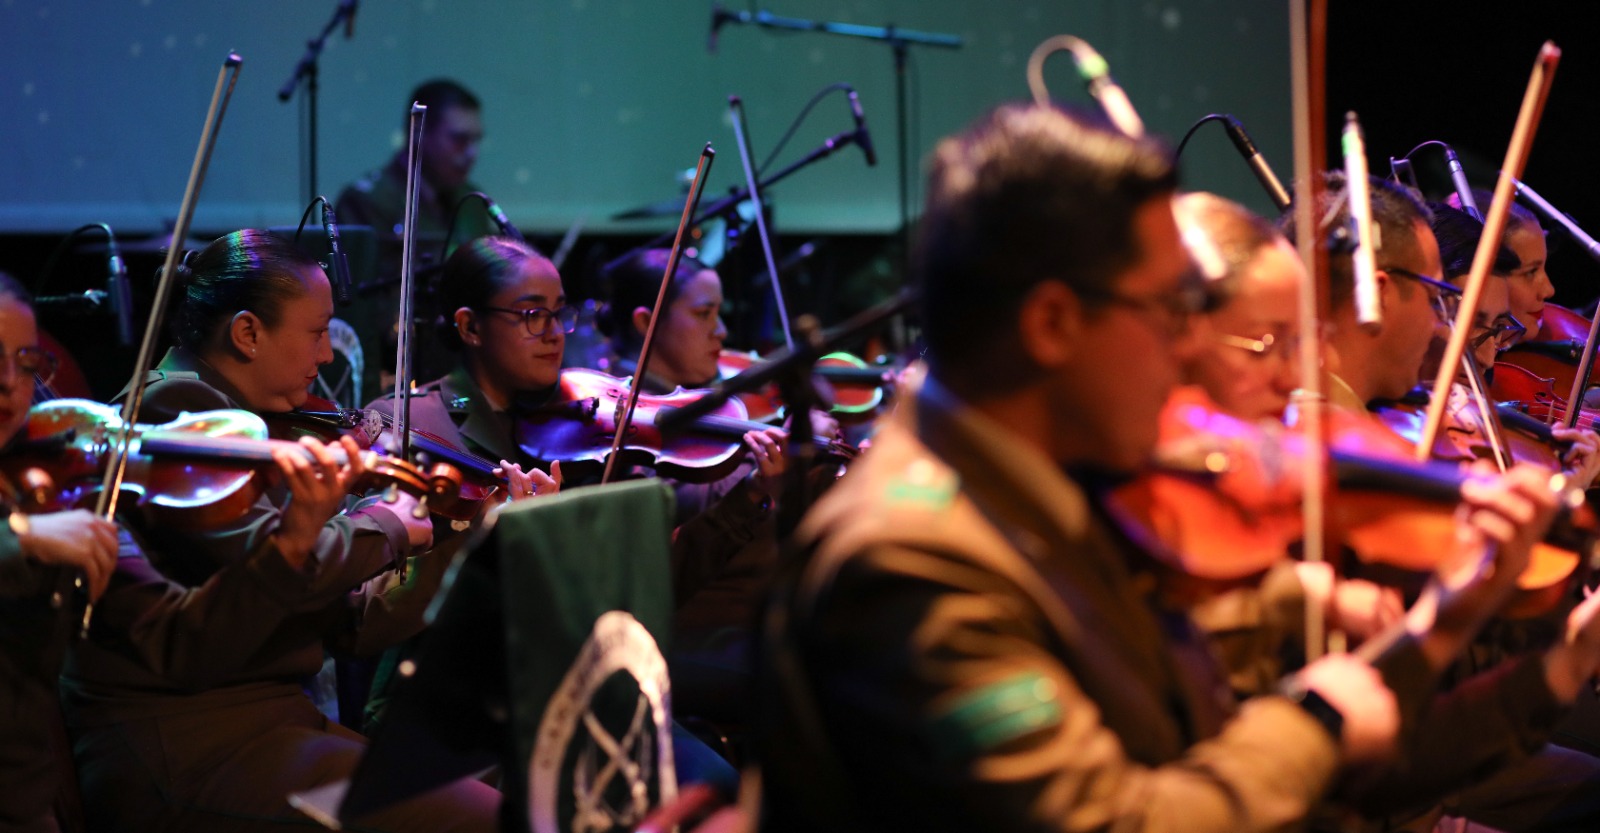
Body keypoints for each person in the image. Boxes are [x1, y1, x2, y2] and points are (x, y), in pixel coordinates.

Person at [753, 103, 1574, 833]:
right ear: (1052, 322)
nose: (1187, 346)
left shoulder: (1066, 493)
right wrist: (1316, 721)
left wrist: (1433, 626)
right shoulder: (913, 563)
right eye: (1164, 312)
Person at [59, 230, 500, 831]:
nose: (327, 356)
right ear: (247, 333)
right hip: (187, 741)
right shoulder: (176, 413)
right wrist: (387, 523)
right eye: (317, 332)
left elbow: (349, 623)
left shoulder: (253, 421)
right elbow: (282, 558)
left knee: (503, 781)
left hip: (267, 720)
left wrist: (463, 530)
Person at [0, 272, 119, 833]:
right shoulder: (26, 520)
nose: (8, 384)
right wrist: (23, 536)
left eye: (25, 364)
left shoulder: (28, 484)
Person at [336, 78, 499, 395]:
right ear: (419, 134)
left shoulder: (473, 201)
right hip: (394, 376)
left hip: (464, 365)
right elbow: (359, 308)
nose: (472, 153)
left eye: (476, 140)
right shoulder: (367, 202)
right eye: (459, 139)